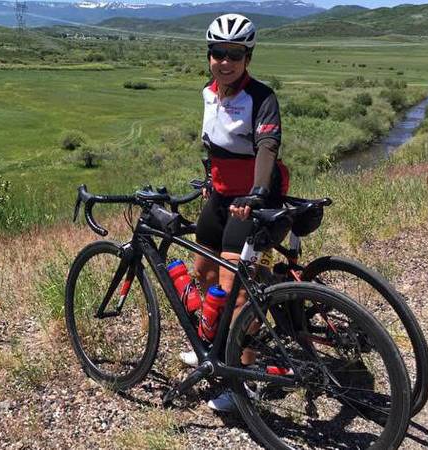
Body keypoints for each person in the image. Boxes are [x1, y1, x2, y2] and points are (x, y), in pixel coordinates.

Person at [178, 13, 290, 413]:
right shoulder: (209, 93)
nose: (225, 61)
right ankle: (212, 346)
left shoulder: (261, 97)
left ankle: (246, 381)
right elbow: (214, 144)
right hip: (222, 196)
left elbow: (267, 148)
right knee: (204, 274)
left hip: (253, 199)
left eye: (234, 54)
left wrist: (258, 192)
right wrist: (209, 178)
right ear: (209, 56)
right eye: (218, 53)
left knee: (237, 291)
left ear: (247, 57)